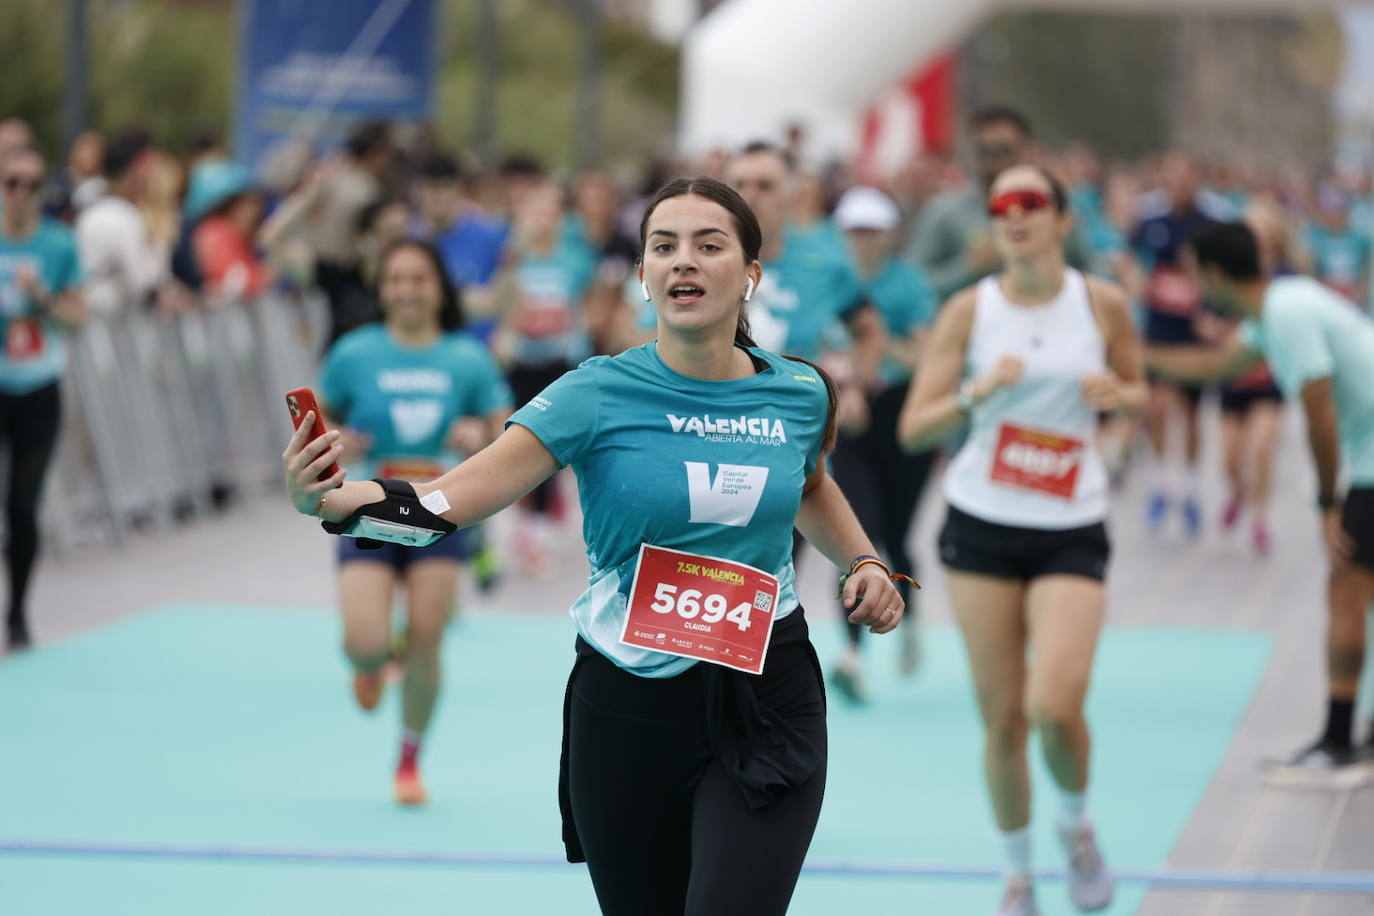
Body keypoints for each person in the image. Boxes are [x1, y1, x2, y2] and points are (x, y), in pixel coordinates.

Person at [284, 176, 907, 914]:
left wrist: (865, 561)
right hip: (628, 702)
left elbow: (807, 484)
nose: (684, 262)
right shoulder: (595, 393)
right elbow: (447, 502)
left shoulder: (798, 392)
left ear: (750, 276)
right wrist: (331, 500)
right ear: (641, 275)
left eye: (710, 246)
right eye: (663, 246)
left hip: (768, 690)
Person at [900, 165, 1144, 915]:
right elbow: (915, 428)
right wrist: (978, 393)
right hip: (981, 522)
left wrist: (1120, 402)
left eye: (1029, 203)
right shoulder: (970, 312)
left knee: (1054, 707)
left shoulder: (1100, 303)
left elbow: (1138, 395)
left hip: (1071, 525)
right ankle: (1017, 879)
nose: (1012, 215)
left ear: (1063, 219)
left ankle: (1075, 827)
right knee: (1002, 719)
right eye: (999, 204)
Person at [1145, 221, 1374, 778]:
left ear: (1215, 273)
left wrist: (1326, 504)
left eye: (1196, 271)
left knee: (1346, 590)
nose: (1193, 282)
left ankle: (1339, 743)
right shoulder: (1279, 305)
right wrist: (1131, 354)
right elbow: (1215, 366)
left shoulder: (1286, 315)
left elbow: (1317, 407)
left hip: (1368, 466)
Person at [315, 239, 511, 804]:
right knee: (364, 644)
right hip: (368, 511)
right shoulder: (354, 352)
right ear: (382, 288)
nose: (406, 290)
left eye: (419, 279)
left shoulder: (466, 358)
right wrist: (336, 439)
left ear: (438, 288)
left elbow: (506, 433)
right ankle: (373, 662)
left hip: (441, 512)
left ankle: (408, 761)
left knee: (428, 638)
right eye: (395, 279)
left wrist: (478, 435)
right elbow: (317, 414)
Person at [828, 185, 938, 699]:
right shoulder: (828, 278)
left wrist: (874, 337)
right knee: (856, 535)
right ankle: (851, 654)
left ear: (889, 234)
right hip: (847, 416)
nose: (862, 240)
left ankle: (910, 622)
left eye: (871, 230)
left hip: (899, 413)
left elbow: (926, 358)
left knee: (896, 533)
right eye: (853, 230)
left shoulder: (909, 284)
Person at [0, 146, 86, 651]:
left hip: (37, 386)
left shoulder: (58, 244)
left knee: (21, 505)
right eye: (12, 182)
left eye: (32, 184)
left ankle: (17, 612)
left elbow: (79, 315)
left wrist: (42, 299)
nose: (21, 193)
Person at [496, 179, 597, 571]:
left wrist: (579, 340)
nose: (542, 220)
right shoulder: (513, 257)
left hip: (559, 363)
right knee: (518, 443)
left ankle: (538, 529)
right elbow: (501, 305)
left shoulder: (575, 258)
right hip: (520, 361)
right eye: (534, 211)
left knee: (553, 445)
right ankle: (524, 525)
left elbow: (587, 303)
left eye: (550, 211)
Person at [1128, 152, 1230, 538]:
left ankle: (1188, 490)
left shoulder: (1211, 219)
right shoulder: (1150, 216)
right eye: (1174, 177)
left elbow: (1224, 272)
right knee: (1155, 408)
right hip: (1158, 327)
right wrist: (1137, 282)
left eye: (1188, 177)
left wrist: (1213, 310)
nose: (1181, 184)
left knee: (1189, 412)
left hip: (1194, 329)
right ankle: (1158, 486)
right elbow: (1131, 257)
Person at [905, 105, 1093, 304]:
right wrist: (968, 268)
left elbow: (1090, 272)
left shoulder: (1055, 205)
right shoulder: (945, 212)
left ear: (1029, 149)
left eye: (1005, 150)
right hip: (973, 327)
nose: (997, 161)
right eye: (986, 151)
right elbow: (911, 286)